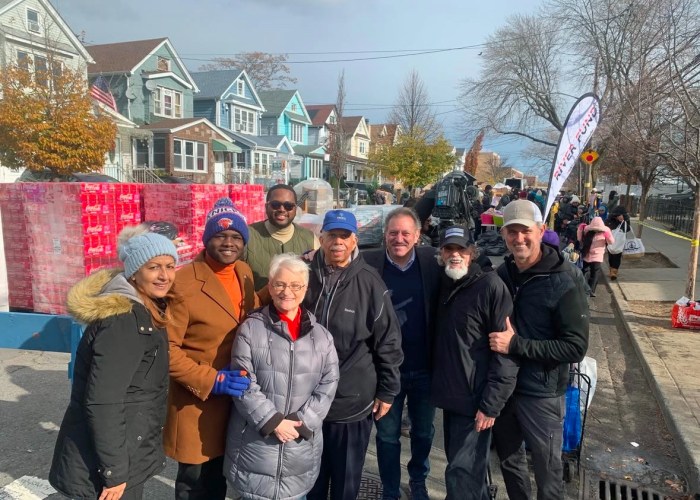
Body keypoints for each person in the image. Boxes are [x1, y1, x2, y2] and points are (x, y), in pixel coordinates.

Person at [50, 228, 180, 500]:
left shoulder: (145, 309)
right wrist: (115, 471)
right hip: (107, 464)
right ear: (134, 273)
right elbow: (103, 402)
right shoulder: (123, 321)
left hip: (124, 448)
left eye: (170, 266)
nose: (164, 275)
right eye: (153, 267)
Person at [489, 199, 589, 500]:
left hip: (542, 392)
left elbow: (576, 347)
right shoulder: (502, 273)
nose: (518, 238)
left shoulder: (564, 278)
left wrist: (516, 345)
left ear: (541, 230)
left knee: (547, 469)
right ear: (504, 235)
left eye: (525, 231)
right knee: (509, 460)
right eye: (511, 232)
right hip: (504, 389)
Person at [305, 210, 403, 500]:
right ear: (321, 238)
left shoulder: (370, 283)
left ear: (354, 240)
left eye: (344, 236)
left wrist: (388, 390)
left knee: (346, 480)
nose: (337, 242)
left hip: (351, 401)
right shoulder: (304, 275)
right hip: (306, 399)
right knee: (311, 478)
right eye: (332, 235)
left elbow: (389, 340)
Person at [165, 197, 259, 500]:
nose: (228, 243)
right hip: (197, 402)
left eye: (236, 237)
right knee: (194, 483)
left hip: (232, 401)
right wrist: (211, 379)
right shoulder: (183, 282)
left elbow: (248, 309)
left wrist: (286, 283)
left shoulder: (242, 271)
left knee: (219, 478)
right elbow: (166, 349)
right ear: (207, 239)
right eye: (220, 235)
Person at [224, 253, 340, 499]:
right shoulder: (250, 329)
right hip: (255, 450)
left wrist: (301, 422)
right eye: (280, 284)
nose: (287, 291)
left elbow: (329, 384)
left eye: (296, 285)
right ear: (270, 286)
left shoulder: (321, 336)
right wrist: (273, 421)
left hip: (299, 451)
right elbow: (243, 382)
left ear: (305, 288)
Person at [431, 225, 519, 499]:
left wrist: (491, 405)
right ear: (441, 254)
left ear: (472, 252)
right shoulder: (445, 282)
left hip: (476, 401)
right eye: (449, 249)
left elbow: (506, 353)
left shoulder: (490, 287)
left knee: (462, 474)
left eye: (461, 249)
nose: (455, 255)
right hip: (452, 397)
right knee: (467, 472)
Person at [363, 207, 442, 500]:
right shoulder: (369, 263)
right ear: (385, 235)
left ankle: (418, 479)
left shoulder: (431, 263)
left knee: (423, 432)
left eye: (405, 233)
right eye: (393, 233)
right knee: (386, 436)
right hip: (385, 372)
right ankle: (390, 488)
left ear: (417, 236)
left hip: (423, 367)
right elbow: (335, 258)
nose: (399, 238)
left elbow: (469, 268)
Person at [245, 184, 319, 290]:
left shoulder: (310, 238)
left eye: (288, 206)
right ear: (266, 206)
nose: (282, 209)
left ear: (295, 209)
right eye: (275, 205)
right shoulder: (248, 235)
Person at [577, 216, 614, 297]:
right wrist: (580, 229)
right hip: (586, 254)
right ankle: (582, 288)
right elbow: (579, 239)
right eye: (595, 228)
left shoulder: (606, 230)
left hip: (597, 255)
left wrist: (607, 235)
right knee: (582, 271)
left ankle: (591, 290)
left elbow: (611, 242)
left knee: (594, 274)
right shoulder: (587, 229)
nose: (596, 230)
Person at [606, 205, 631, 280]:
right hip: (610, 241)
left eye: (620, 215)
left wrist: (623, 222)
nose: (619, 217)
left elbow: (628, 229)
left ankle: (614, 272)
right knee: (611, 256)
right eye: (617, 216)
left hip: (620, 242)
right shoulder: (610, 220)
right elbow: (606, 227)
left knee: (617, 256)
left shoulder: (625, 221)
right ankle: (611, 269)